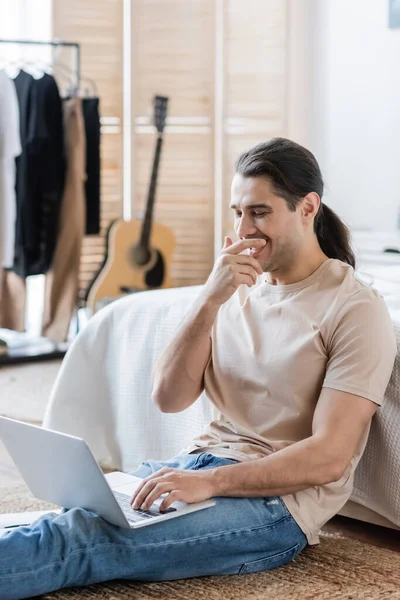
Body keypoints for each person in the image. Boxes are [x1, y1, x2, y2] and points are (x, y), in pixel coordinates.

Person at [1, 138, 396, 600]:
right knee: (70, 518)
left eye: (260, 212)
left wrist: (206, 482)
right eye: (237, 212)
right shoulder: (233, 286)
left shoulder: (353, 308)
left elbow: (330, 456)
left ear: (308, 207)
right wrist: (209, 298)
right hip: (202, 461)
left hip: (277, 507)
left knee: (82, 541)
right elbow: (168, 397)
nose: (244, 229)